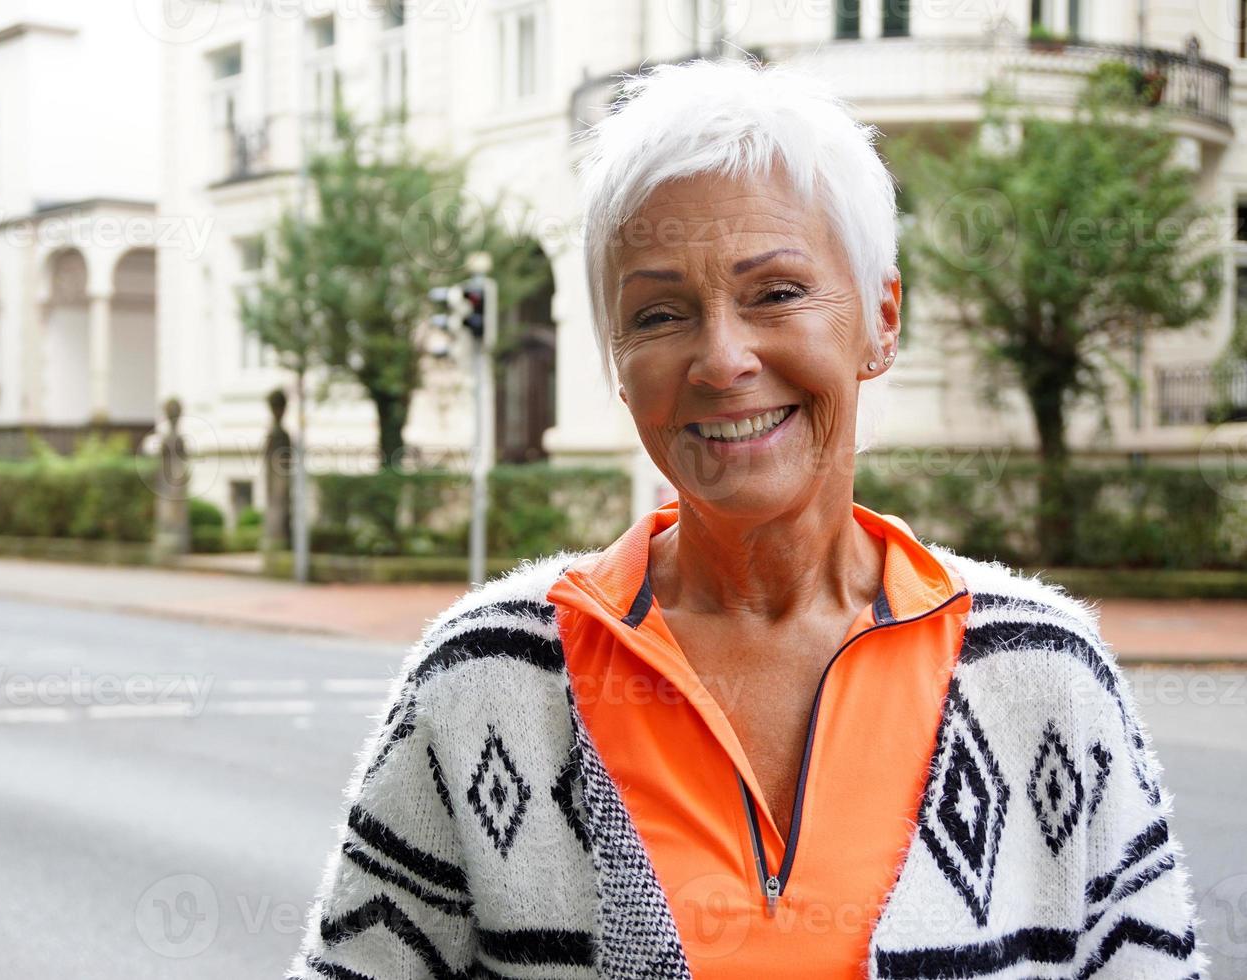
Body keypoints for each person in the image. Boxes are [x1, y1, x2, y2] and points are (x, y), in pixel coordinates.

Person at [287, 58, 1204, 980]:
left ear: (881, 320)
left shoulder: (1045, 677)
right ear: (616, 359)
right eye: (659, 314)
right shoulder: (487, 680)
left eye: (776, 293)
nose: (722, 359)